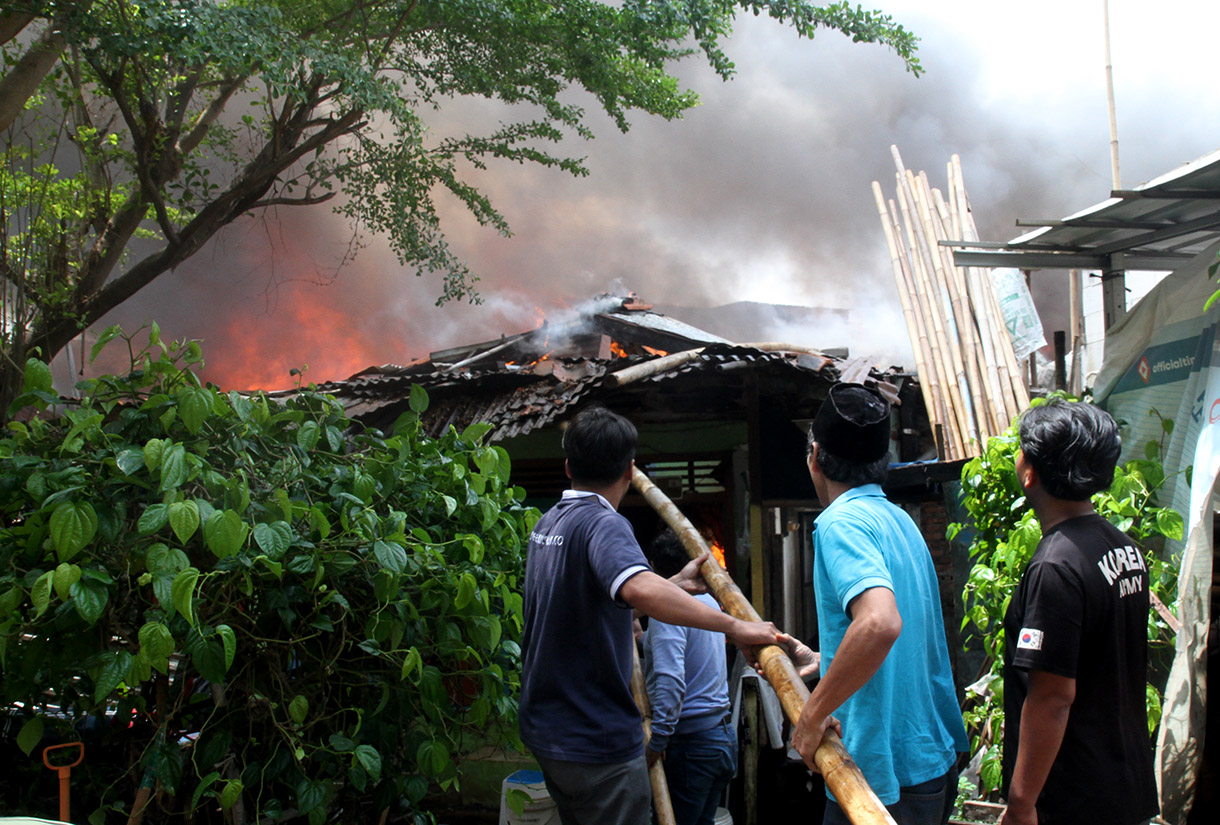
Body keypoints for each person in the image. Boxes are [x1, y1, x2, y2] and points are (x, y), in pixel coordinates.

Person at [519, 406, 782, 825]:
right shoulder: (602, 523)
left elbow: (591, 603)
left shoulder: (548, 524)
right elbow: (637, 586)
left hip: (548, 731)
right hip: (594, 737)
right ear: (630, 469)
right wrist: (737, 625)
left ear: (568, 466)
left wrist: (674, 585)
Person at [791, 382, 968, 825]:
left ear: (815, 456)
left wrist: (813, 715)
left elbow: (880, 624)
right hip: (929, 758)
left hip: (878, 772)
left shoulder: (840, 523)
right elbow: (896, 638)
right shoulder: (900, 521)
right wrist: (824, 660)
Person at [998, 399, 1158, 825]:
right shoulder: (1122, 547)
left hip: (1073, 799)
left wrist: (1021, 804)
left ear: (1029, 470)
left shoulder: (1056, 566)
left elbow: (1052, 697)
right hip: (1122, 782)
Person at [641, 530, 736, 825]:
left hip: (691, 746)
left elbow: (670, 681)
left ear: (653, 568)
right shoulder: (707, 602)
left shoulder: (666, 611)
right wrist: (644, 640)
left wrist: (657, 742)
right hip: (720, 737)